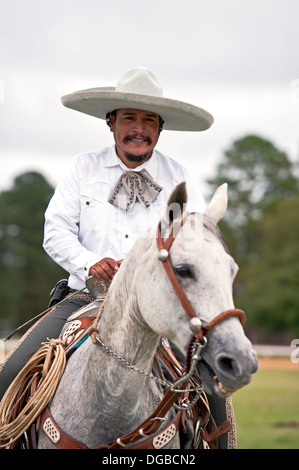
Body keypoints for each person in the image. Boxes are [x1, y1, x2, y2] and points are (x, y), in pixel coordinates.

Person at [0, 67, 234, 447]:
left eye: (148, 121)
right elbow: (55, 231)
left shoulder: (180, 178)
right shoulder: (82, 168)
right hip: (84, 298)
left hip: (154, 306)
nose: (138, 129)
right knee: (10, 373)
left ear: (160, 129)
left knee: (213, 390)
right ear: (111, 123)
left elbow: (194, 245)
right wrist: (89, 262)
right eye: (129, 118)